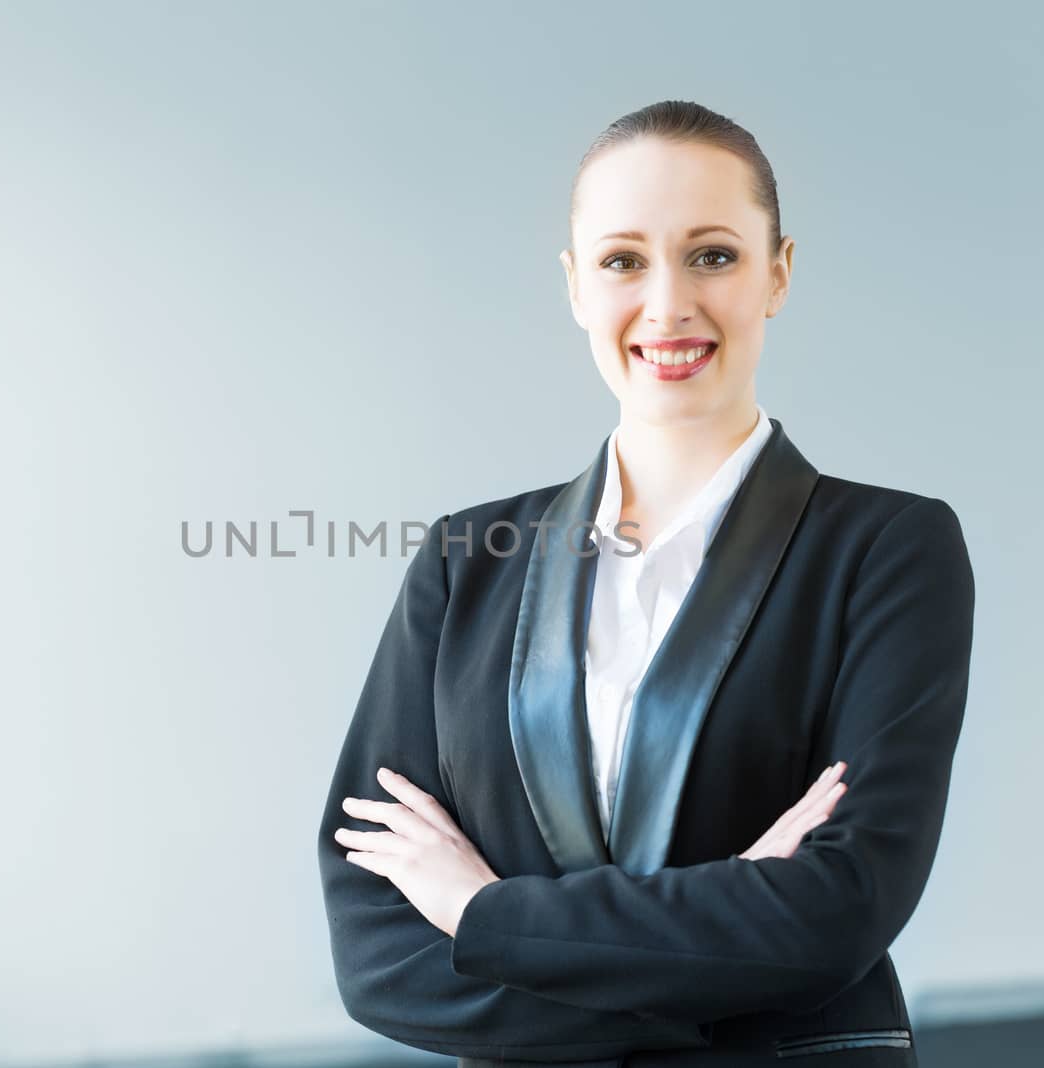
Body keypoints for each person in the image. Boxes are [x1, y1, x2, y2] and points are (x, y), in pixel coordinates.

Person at [316, 99, 975, 1067]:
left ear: (777, 274)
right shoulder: (467, 563)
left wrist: (478, 912)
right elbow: (374, 949)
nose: (666, 304)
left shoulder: (887, 550)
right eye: (623, 260)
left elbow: (841, 906)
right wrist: (718, 957)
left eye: (712, 255)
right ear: (576, 285)